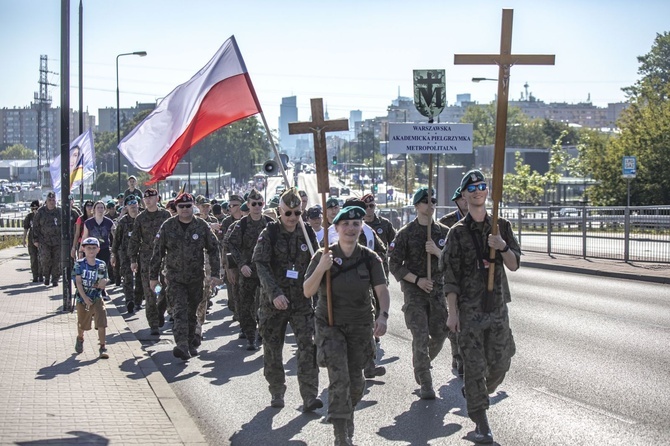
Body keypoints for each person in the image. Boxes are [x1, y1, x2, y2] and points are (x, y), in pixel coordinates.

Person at [442, 170, 520, 444]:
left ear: (488, 191)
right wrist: (452, 313)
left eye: (482, 186)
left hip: (497, 308)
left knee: (500, 363)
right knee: (474, 368)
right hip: (469, 312)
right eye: (471, 188)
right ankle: (481, 423)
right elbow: (449, 277)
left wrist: (501, 247)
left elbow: (514, 264)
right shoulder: (457, 233)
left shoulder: (502, 227)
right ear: (464, 195)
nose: (478, 191)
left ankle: (477, 393)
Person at [304, 205, 390, 446]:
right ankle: (342, 435)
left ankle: (343, 416)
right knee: (339, 377)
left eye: (356, 224)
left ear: (361, 227)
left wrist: (383, 316)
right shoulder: (323, 255)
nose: (351, 228)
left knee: (356, 383)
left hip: (360, 326)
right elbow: (307, 290)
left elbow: (382, 291)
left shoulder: (370, 258)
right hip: (330, 325)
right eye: (346, 224)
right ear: (336, 228)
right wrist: (322, 268)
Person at [252, 188, 321, 411]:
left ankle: (309, 395)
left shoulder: (307, 232)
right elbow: (260, 265)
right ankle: (277, 390)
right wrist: (274, 294)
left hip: (301, 300)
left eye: (297, 213)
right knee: (273, 349)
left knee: (307, 347)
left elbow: (317, 262)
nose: (292, 218)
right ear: (279, 211)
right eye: (288, 213)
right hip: (274, 303)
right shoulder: (269, 233)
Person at [388, 187, 450, 400]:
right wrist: (417, 280)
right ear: (417, 206)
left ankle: (420, 361)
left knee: (441, 334)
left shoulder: (443, 232)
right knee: (420, 336)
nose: (430, 204)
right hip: (415, 293)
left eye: (433, 200)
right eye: (426, 201)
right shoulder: (405, 233)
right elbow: (394, 264)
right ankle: (425, 381)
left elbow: (453, 263)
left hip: (437, 292)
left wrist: (438, 252)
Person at [150, 193, 221, 360]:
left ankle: (189, 344)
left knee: (191, 312)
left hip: (196, 278)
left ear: (193, 206)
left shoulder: (201, 226)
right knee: (179, 310)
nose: (184, 209)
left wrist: (216, 274)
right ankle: (181, 344)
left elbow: (213, 249)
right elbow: (157, 253)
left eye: (188, 206)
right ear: (176, 208)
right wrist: (153, 277)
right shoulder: (168, 226)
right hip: (174, 278)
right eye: (181, 206)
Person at [227, 189, 273, 350]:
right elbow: (231, 244)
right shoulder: (242, 225)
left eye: (260, 203)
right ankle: (250, 335)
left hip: (266, 271)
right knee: (245, 304)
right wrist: (241, 264)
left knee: (266, 303)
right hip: (248, 271)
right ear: (248, 205)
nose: (257, 207)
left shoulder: (269, 224)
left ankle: (263, 330)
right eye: (253, 204)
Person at [128, 188, 171, 336]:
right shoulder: (140, 218)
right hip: (147, 258)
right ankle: (153, 324)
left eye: (151, 197)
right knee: (149, 291)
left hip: (164, 258)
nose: (147, 200)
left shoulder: (165, 215)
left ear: (157, 198)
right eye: (145, 198)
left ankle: (160, 310)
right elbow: (134, 240)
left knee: (165, 289)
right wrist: (133, 260)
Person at [73, 237, 110, 359]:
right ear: (83, 249)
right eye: (88, 248)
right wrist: (84, 297)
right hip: (82, 298)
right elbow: (78, 282)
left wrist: (104, 282)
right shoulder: (79, 264)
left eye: (94, 248)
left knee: (101, 321)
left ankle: (102, 346)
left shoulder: (101, 264)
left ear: (98, 249)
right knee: (82, 323)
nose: (91, 250)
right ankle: (80, 337)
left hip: (97, 297)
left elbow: (106, 277)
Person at [194, 195, 221, 345]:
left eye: (207, 206)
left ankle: (199, 324)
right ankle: (194, 326)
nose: (205, 208)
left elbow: (214, 245)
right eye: (202, 205)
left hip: (208, 264)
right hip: (193, 264)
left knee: (204, 295)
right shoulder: (191, 219)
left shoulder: (213, 221)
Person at [111, 195, 142, 313]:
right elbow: (117, 240)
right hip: (126, 254)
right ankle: (129, 300)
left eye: (135, 203)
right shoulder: (123, 221)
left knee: (140, 279)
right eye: (130, 204)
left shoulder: (143, 218)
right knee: (127, 277)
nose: (133, 206)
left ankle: (138, 301)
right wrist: (113, 254)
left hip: (141, 253)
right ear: (126, 207)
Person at [82, 201, 115, 296]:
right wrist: (81, 250)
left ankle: (102, 290)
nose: (100, 210)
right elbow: (85, 236)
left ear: (104, 210)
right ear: (94, 210)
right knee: (92, 269)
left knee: (102, 270)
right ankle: (91, 290)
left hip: (104, 248)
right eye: (98, 208)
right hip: (91, 249)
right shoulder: (88, 222)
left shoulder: (109, 222)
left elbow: (115, 236)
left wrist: (114, 250)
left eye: (102, 208)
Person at [220, 194, 244, 325]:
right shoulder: (226, 223)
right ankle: (236, 311)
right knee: (233, 294)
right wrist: (226, 267)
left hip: (246, 263)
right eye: (230, 205)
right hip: (231, 263)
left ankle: (244, 319)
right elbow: (224, 246)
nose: (231, 208)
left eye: (234, 205)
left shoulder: (247, 219)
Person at [32, 192, 62, 287]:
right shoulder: (40, 212)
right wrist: (35, 240)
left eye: (53, 200)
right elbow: (35, 226)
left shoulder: (59, 212)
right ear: (46, 201)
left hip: (57, 241)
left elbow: (65, 225)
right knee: (45, 259)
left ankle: (55, 279)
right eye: (50, 200)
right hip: (44, 241)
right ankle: (46, 276)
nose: (52, 202)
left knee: (56, 260)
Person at [23, 200, 42, 283]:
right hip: (31, 241)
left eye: (36, 208)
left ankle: (41, 275)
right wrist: (24, 239)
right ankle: (35, 276)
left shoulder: (42, 216)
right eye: (33, 208)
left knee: (41, 258)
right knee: (33, 258)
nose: (34, 210)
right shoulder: (29, 217)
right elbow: (26, 228)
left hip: (41, 240)